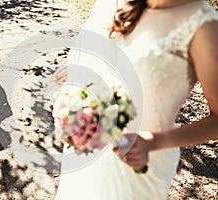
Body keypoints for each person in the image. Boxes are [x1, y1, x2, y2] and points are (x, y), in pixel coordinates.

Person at [54, 0, 218, 199]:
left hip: (138, 164)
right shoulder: (119, 3)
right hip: (90, 149)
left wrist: (153, 141)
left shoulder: (203, 26)